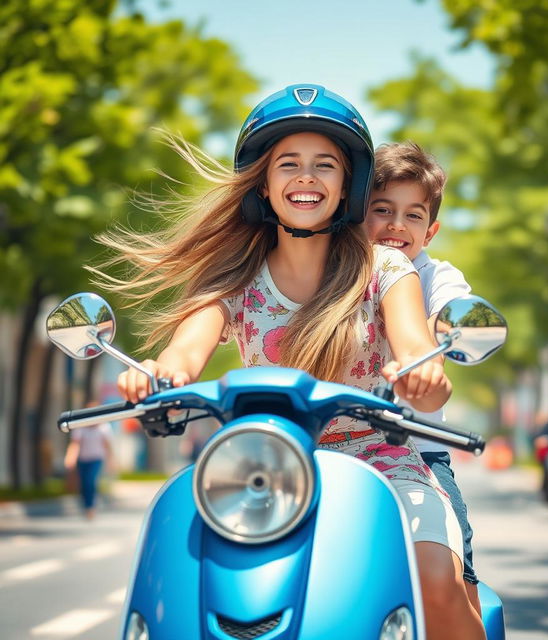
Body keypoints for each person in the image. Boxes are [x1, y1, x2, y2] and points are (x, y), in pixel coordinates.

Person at [93, 85, 485, 639]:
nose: (307, 177)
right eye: (289, 164)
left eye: (324, 164)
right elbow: (185, 351)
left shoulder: (386, 268)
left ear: (346, 184)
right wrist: (157, 372)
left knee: (434, 583)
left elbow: (419, 354)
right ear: (265, 182)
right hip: (265, 467)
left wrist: (422, 375)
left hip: (384, 461)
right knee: (187, 591)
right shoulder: (234, 277)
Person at [365, 142, 481, 615]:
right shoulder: (333, 272)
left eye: (413, 216)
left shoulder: (438, 278)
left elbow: (444, 318)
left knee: (453, 573)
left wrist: (429, 356)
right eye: (382, 210)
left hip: (419, 450)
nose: (397, 225)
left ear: (430, 231)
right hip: (321, 443)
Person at [63, 402, 115, 520]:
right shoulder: (81, 427)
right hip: (83, 459)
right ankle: (86, 505)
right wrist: (70, 458)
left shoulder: (104, 428)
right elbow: (75, 444)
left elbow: (107, 446)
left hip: (96, 459)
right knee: (83, 484)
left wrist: (111, 461)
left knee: (90, 482)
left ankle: (91, 507)